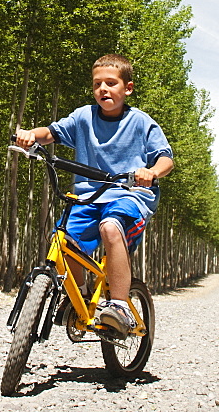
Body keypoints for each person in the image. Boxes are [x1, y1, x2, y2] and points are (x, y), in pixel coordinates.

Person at [15, 52, 173, 338]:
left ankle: (120, 305)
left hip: (130, 195)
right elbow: (50, 133)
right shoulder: (83, 117)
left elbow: (166, 160)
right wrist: (29, 135)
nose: (104, 89)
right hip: (89, 196)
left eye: (111, 83)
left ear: (128, 88)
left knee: (111, 227)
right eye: (98, 83)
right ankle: (82, 296)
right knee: (64, 240)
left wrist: (151, 172)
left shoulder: (141, 123)